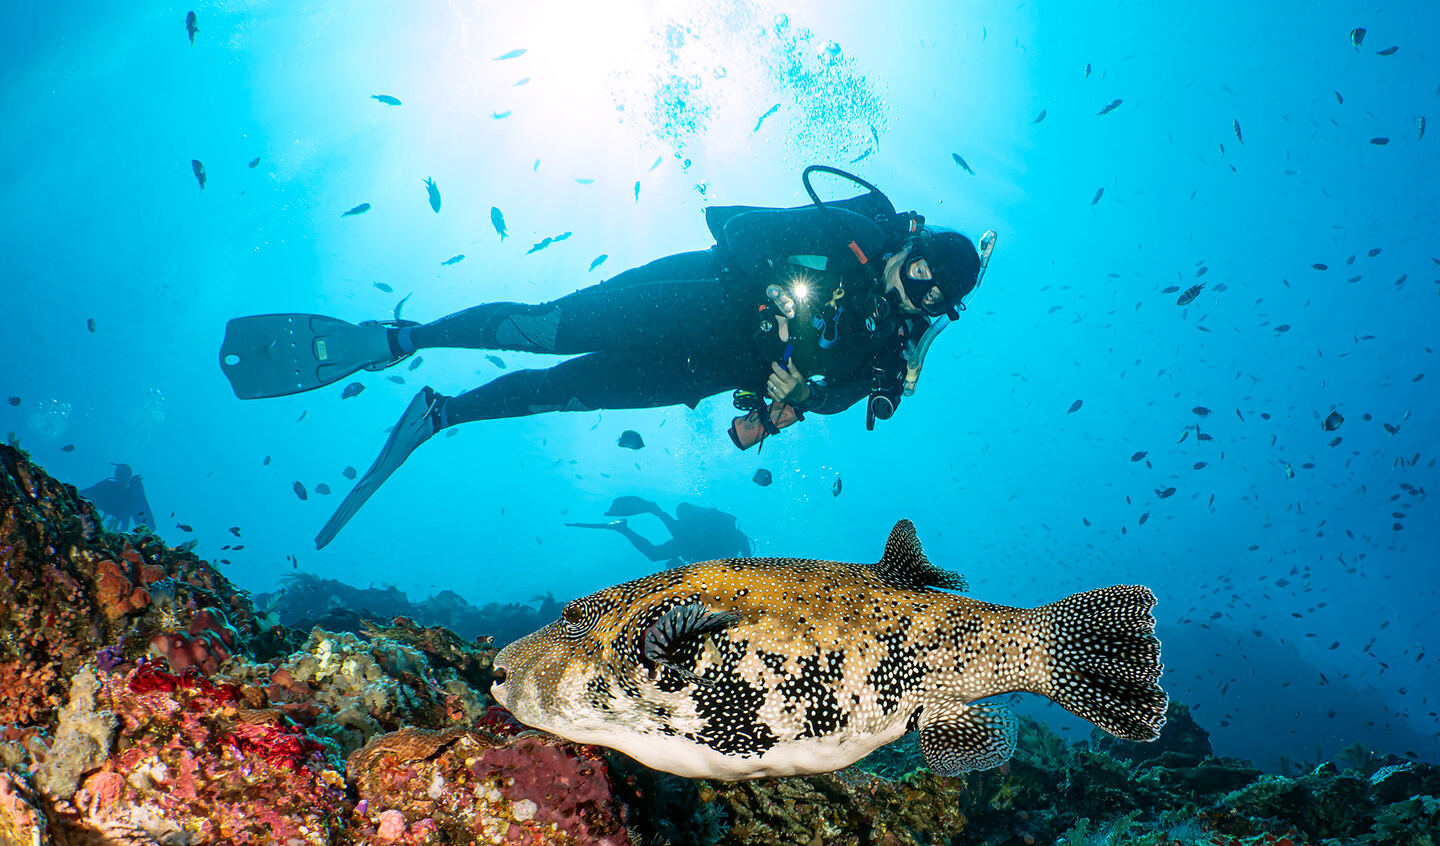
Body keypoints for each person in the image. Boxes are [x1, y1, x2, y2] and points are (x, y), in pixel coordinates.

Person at [219, 167, 996, 548]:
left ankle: (439, 413)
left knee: (568, 393)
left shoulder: (889, 345)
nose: (915, 288)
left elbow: (835, 398)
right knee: (544, 328)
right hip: (692, 295)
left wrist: (794, 391)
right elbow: (736, 226)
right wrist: (786, 298)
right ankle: (396, 340)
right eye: (920, 267)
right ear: (913, 243)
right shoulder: (849, 234)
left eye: (931, 298)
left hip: (701, 372)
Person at [566, 496, 752, 567]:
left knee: (655, 555)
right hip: (695, 546)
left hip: (695, 548)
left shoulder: (730, 534)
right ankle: (652, 514)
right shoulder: (724, 534)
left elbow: (746, 558)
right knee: (658, 552)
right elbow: (747, 561)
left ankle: (623, 527)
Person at [80, 463, 155, 532]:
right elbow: (85, 494)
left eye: (123, 473)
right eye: (120, 473)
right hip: (110, 518)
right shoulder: (106, 486)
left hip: (113, 518)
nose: (121, 476)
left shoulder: (130, 493)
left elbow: (127, 515)